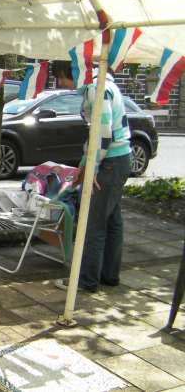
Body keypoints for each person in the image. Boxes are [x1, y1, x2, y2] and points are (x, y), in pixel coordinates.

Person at [51, 61, 133, 293]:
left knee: (92, 224)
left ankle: (86, 280)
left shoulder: (96, 88)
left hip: (110, 163)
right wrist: (84, 164)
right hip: (118, 159)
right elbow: (98, 133)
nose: (61, 83)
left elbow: (103, 133)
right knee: (112, 221)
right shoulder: (102, 84)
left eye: (62, 77)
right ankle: (109, 275)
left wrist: (93, 167)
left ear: (73, 72)